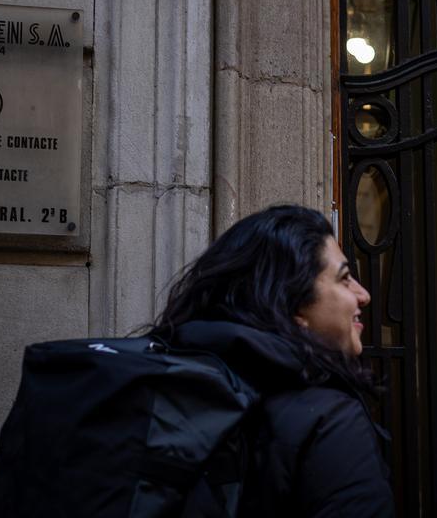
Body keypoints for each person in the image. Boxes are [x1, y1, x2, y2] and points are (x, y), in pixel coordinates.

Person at [154, 204, 395, 517]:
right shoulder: (330, 420)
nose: (363, 295)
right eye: (345, 277)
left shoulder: (178, 386)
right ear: (293, 304)